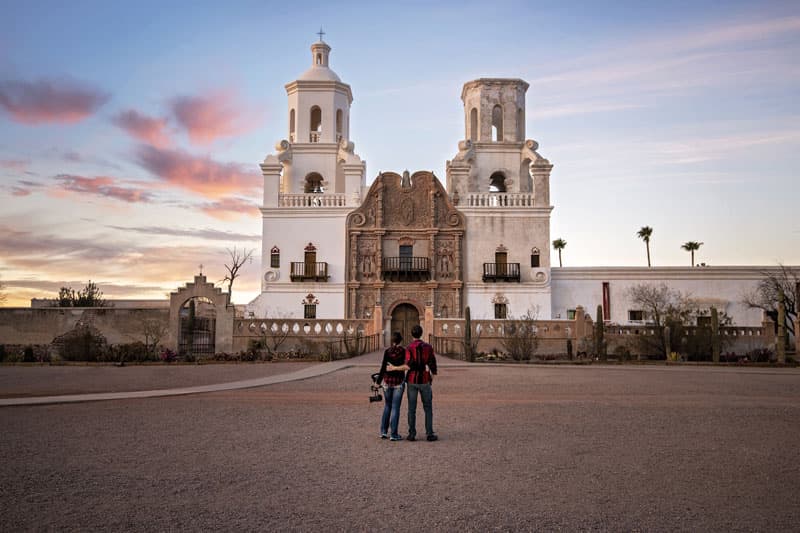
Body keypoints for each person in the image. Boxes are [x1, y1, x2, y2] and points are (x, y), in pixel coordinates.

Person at [389, 324, 438, 442]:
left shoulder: (409, 348)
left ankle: (412, 434)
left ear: (412, 334)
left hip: (411, 380)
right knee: (428, 408)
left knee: (412, 408)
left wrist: (394, 368)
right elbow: (433, 366)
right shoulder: (428, 347)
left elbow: (407, 365)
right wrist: (431, 378)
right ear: (421, 333)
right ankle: (429, 433)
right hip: (425, 380)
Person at [376, 331, 406, 441]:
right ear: (400, 340)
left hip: (387, 382)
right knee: (395, 407)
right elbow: (406, 365)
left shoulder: (387, 351)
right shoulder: (403, 351)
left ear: (392, 340)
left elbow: (383, 367)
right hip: (398, 382)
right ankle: (394, 434)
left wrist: (377, 382)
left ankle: (383, 432)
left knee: (387, 406)